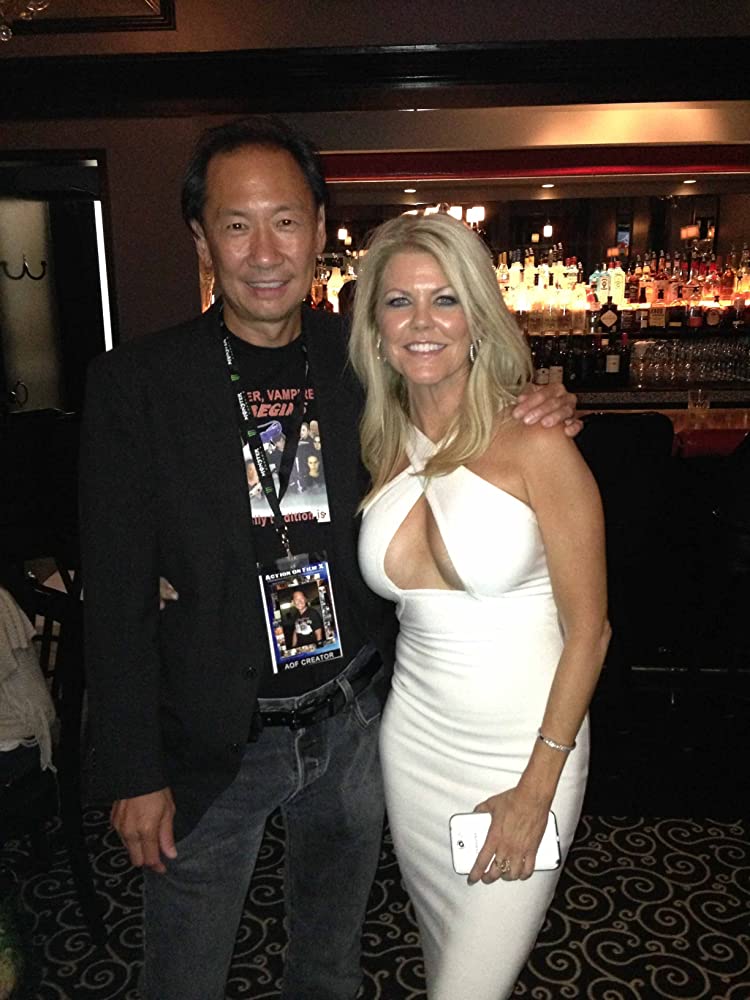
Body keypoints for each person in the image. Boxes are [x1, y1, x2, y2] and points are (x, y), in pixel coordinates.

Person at [80, 115, 580, 1000]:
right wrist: (133, 769)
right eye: (237, 225)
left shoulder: (366, 362)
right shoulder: (139, 385)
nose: (264, 252)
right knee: (183, 976)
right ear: (202, 239)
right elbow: (115, 598)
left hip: (354, 726)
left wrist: (543, 399)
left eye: (285, 221)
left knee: (328, 967)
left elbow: (471, 408)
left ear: (318, 229)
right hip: (214, 739)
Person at [350, 212, 610, 1000]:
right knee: (444, 954)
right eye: (399, 302)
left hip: (526, 751)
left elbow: (591, 632)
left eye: (446, 300)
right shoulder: (381, 443)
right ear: (376, 329)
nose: (422, 322)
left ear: (478, 319)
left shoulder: (538, 444)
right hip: (415, 747)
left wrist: (537, 786)